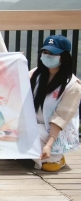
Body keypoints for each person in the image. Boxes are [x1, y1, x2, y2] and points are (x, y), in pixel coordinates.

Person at [30, 35, 80, 172]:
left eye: (53, 53)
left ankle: (56, 156)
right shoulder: (35, 74)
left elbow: (60, 118)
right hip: (35, 125)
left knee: (47, 162)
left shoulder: (72, 86)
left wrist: (49, 145)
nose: (47, 56)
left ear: (63, 57)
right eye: (45, 52)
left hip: (55, 132)